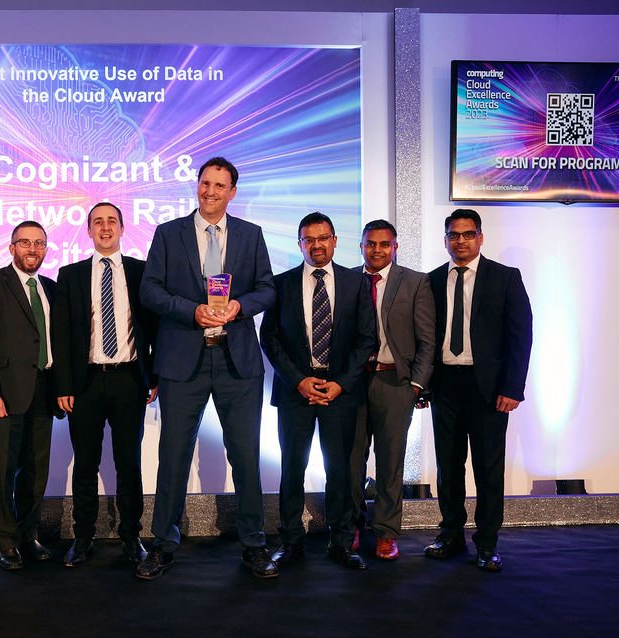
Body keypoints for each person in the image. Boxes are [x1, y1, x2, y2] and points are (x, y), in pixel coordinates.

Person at [137, 157, 278, 581]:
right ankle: (162, 544)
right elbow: (149, 290)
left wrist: (239, 307)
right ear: (196, 186)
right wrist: (191, 310)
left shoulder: (251, 235)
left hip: (237, 362)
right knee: (173, 455)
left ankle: (254, 544)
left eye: (219, 185)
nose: (210, 191)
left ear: (232, 191)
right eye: (204, 183)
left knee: (246, 456)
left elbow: (267, 289)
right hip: (183, 360)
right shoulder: (168, 233)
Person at [261, 211, 376, 570]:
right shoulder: (281, 284)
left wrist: (340, 383)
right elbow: (270, 338)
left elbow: (366, 339)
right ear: (300, 244)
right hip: (296, 390)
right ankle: (290, 542)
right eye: (308, 239)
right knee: (292, 468)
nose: (316, 245)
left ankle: (341, 543)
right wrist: (299, 380)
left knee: (340, 471)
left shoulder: (356, 283)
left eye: (322, 238)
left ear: (335, 241)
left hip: (340, 391)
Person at [424, 208, 532, 572]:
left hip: (489, 389)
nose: (461, 241)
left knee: (488, 469)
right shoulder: (431, 280)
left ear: (480, 237)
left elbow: (521, 336)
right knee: (448, 468)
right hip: (445, 386)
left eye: (468, 234)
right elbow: (424, 336)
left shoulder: (505, 278)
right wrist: (423, 384)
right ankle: (450, 535)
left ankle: (487, 543)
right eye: (454, 235)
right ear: (445, 240)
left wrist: (512, 387)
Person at [52, 202, 158, 568]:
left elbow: (155, 327)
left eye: (112, 220)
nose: (105, 226)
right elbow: (62, 335)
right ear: (89, 231)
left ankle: (132, 535)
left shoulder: (142, 272)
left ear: (123, 228)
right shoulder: (71, 274)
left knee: (129, 463)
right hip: (86, 382)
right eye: (98, 221)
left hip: (130, 379)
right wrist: (63, 385)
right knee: (85, 463)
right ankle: (83, 536)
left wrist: (154, 375)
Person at [0, 221, 57, 571]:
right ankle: (4, 540)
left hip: (44, 390)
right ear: (12, 248)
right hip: (4, 394)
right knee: (4, 469)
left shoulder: (50, 287)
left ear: (46, 249)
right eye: (25, 242)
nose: (32, 249)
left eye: (39, 243)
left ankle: (28, 534)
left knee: (36, 469)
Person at [348, 219, 435, 561]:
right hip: (352, 384)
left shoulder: (415, 282)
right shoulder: (347, 280)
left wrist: (415, 385)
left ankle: (386, 533)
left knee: (391, 462)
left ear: (395, 247)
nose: (377, 250)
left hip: (395, 383)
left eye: (385, 244)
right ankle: (352, 526)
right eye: (371, 243)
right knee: (350, 460)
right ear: (361, 246)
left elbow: (427, 339)